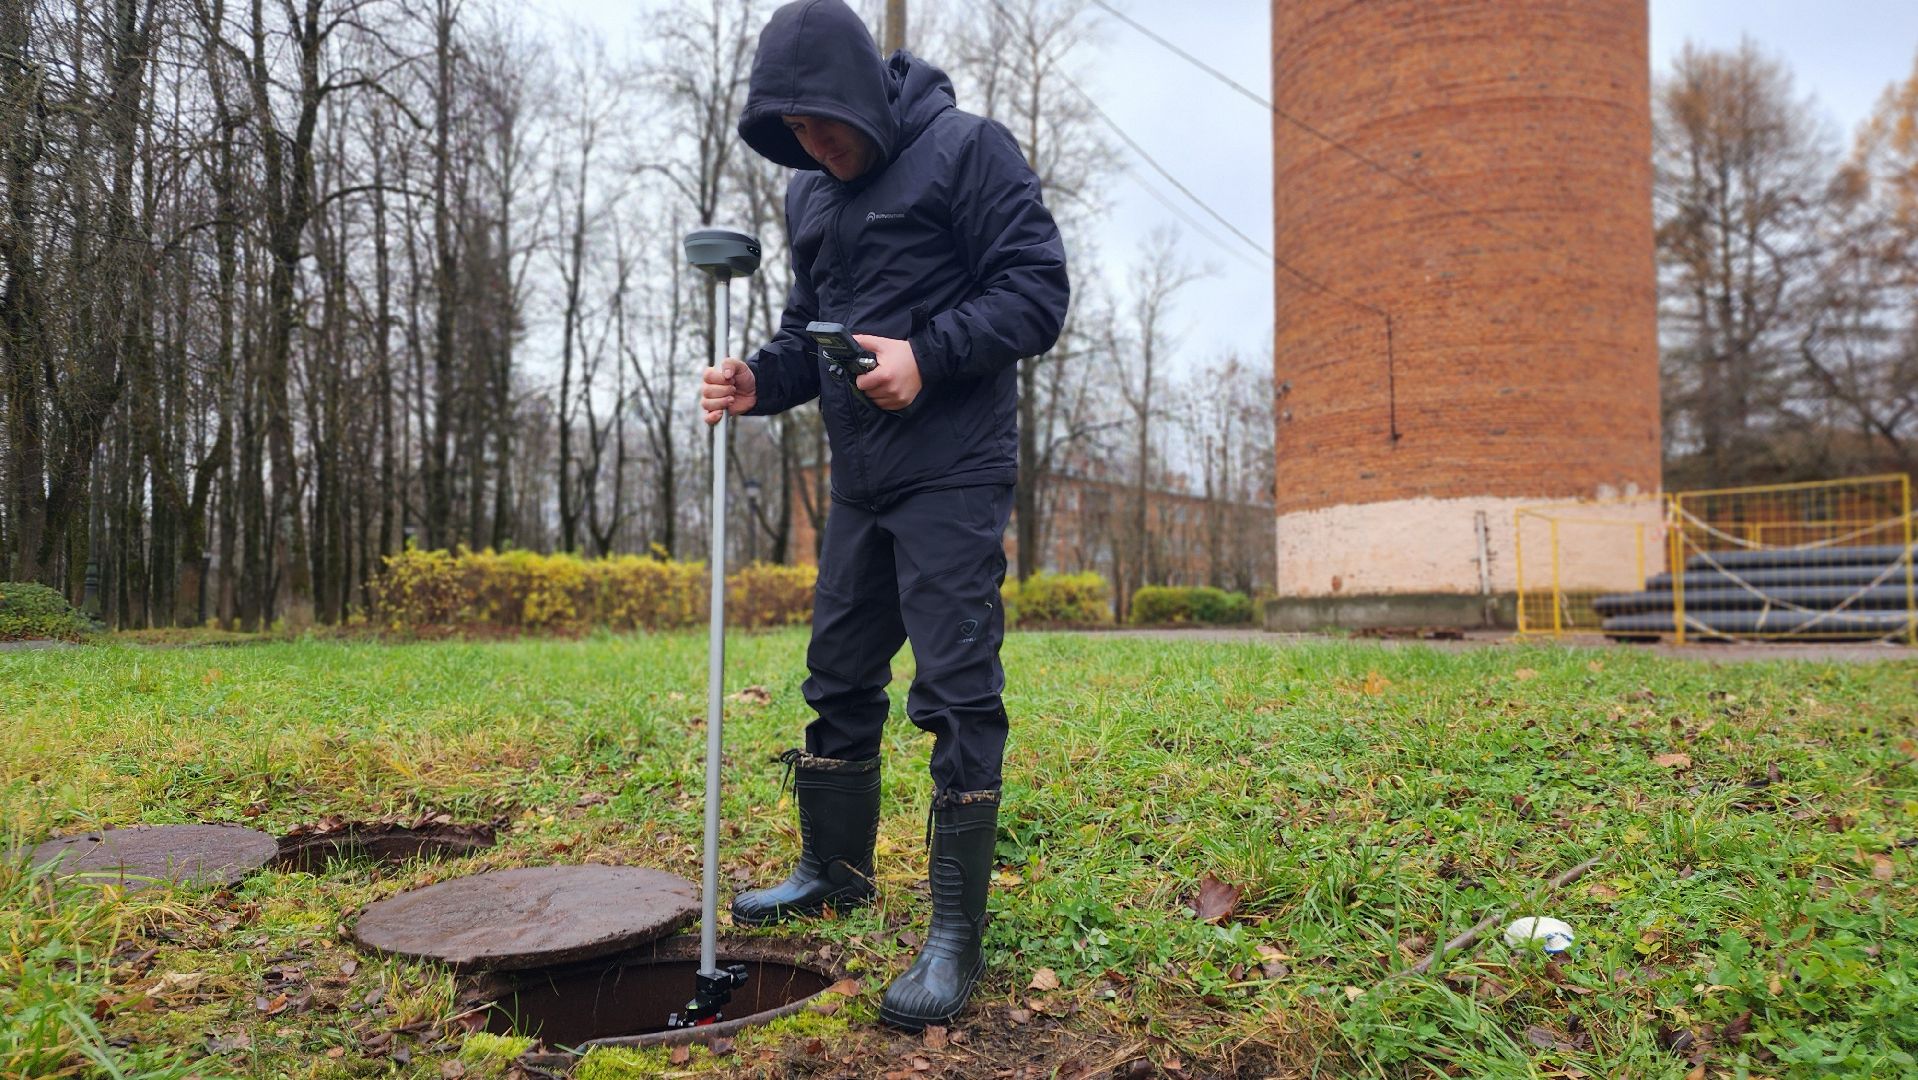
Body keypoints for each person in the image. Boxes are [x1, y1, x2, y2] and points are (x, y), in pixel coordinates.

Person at [699, 0, 1069, 1032]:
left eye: (822, 125)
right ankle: (836, 866)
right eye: (792, 136)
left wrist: (928, 354)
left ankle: (954, 933)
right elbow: (799, 341)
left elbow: (1038, 290)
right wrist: (753, 383)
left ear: (858, 95)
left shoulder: (967, 151)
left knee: (954, 688)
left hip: (952, 464)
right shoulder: (808, 196)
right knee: (837, 672)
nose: (813, 147)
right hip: (860, 477)